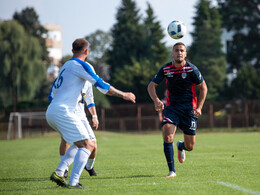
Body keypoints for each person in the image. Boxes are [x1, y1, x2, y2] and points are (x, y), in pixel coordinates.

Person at [46, 38, 136, 189]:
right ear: (86, 52)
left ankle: (60, 172)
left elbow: (51, 94)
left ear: (72, 50)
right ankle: (73, 182)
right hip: (64, 111)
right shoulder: (83, 65)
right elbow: (101, 85)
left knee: (87, 143)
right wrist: (123, 94)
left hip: (53, 111)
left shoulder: (65, 66)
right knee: (86, 144)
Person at [147, 42, 207, 178]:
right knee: (167, 135)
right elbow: (151, 86)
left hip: (189, 110)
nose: (179, 53)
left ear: (185, 54)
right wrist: (156, 101)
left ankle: (181, 146)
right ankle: (172, 171)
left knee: (190, 146)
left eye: (181, 50)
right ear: (172, 53)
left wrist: (199, 108)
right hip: (172, 108)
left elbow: (203, 88)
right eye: (176, 50)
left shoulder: (192, 70)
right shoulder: (166, 69)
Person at [50, 80, 99, 178]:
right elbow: (52, 94)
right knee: (66, 140)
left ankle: (88, 167)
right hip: (67, 113)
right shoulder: (69, 75)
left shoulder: (88, 78)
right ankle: (64, 170)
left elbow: (89, 99)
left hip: (81, 116)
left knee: (92, 144)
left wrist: (94, 116)